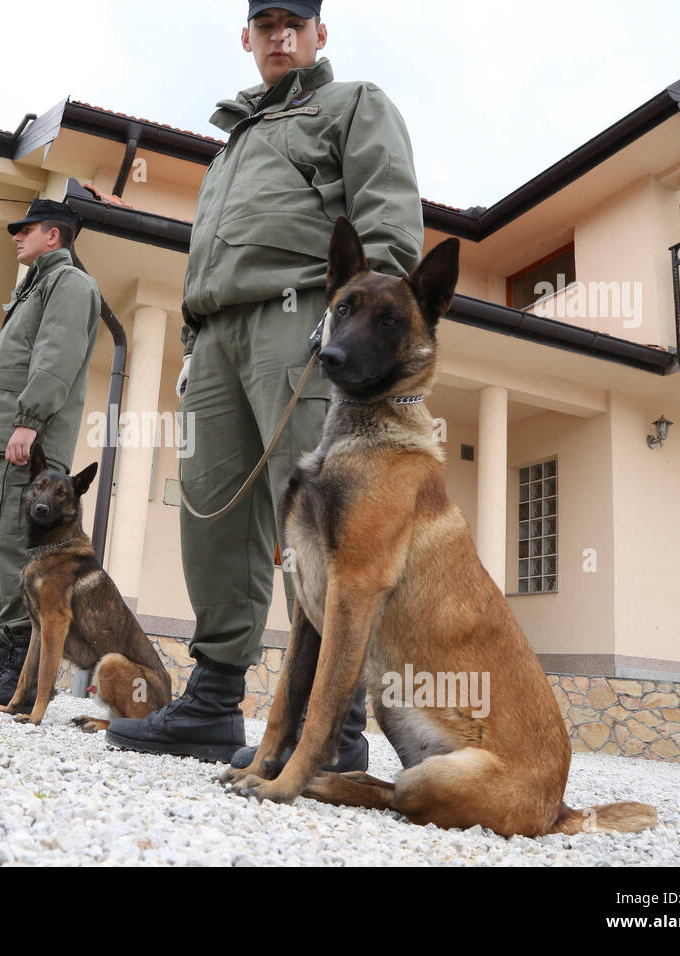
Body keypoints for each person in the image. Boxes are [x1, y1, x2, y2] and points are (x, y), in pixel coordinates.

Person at [106, 1, 423, 765]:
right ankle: (214, 703)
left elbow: (386, 224)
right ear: (246, 37)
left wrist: (358, 330)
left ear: (321, 33)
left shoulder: (353, 104)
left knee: (318, 523)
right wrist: (191, 339)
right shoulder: (234, 142)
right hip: (215, 335)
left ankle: (335, 729)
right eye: (266, 23)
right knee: (209, 512)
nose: (281, 36)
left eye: (296, 22)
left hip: (302, 319)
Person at [0, 198, 101, 711]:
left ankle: (17, 667)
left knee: (16, 548)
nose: (17, 236)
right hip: (8, 438)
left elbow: (55, 357)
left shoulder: (69, 284)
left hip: (28, 444)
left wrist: (28, 422)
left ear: (54, 236)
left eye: (27, 229)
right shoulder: (37, 284)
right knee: (1, 546)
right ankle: (8, 667)